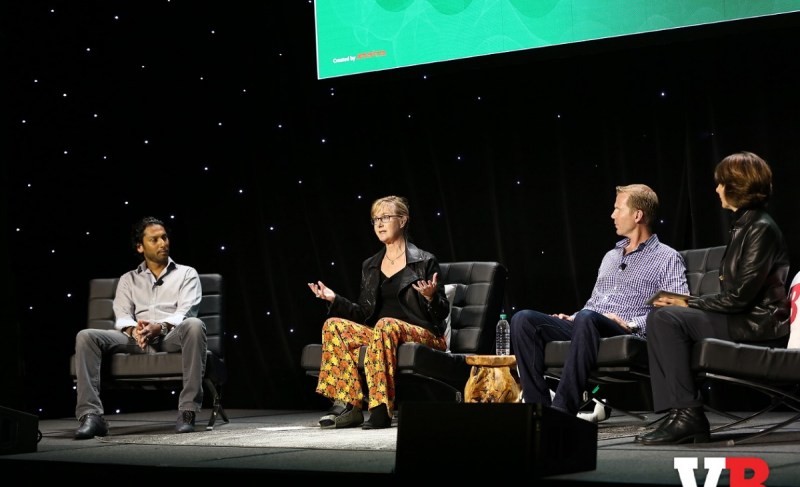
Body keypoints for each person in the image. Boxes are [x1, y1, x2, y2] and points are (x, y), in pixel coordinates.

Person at [637, 151, 790, 445]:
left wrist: (685, 302)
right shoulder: (744, 226)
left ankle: (688, 415)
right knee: (660, 315)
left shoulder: (761, 229)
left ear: (737, 185)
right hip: (742, 317)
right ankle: (679, 412)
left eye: (721, 183)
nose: (717, 189)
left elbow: (739, 299)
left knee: (667, 317)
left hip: (758, 324)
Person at [510, 184, 689, 421]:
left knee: (587, 318)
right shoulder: (610, 256)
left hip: (625, 331)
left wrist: (630, 324)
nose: (612, 215)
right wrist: (573, 316)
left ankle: (562, 411)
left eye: (618, 209)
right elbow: (595, 303)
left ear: (637, 215)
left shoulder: (666, 257)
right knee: (523, 319)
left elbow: (676, 310)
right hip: (589, 323)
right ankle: (537, 410)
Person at [308, 195, 449, 429]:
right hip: (382, 333)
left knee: (385, 324)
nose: (380, 224)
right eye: (375, 220)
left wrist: (431, 297)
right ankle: (349, 405)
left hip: (424, 334)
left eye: (385, 217)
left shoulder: (424, 261)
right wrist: (335, 299)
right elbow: (364, 312)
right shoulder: (370, 265)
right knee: (333, 324)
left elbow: (441, 314)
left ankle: (380, 408)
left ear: (402, 221)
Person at [73, 216, 207, 439]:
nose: (163, 243)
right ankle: (91, 416)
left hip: (171, 335)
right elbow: (123, 315)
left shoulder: (187, 274)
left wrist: (160, 327)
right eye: (154, 239)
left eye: (164, 237)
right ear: (140, 247)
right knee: (86, 336)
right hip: (138, 337)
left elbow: (186, 312)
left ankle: (188, 411)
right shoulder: (128, 279)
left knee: (194, 324)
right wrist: (134, 330)